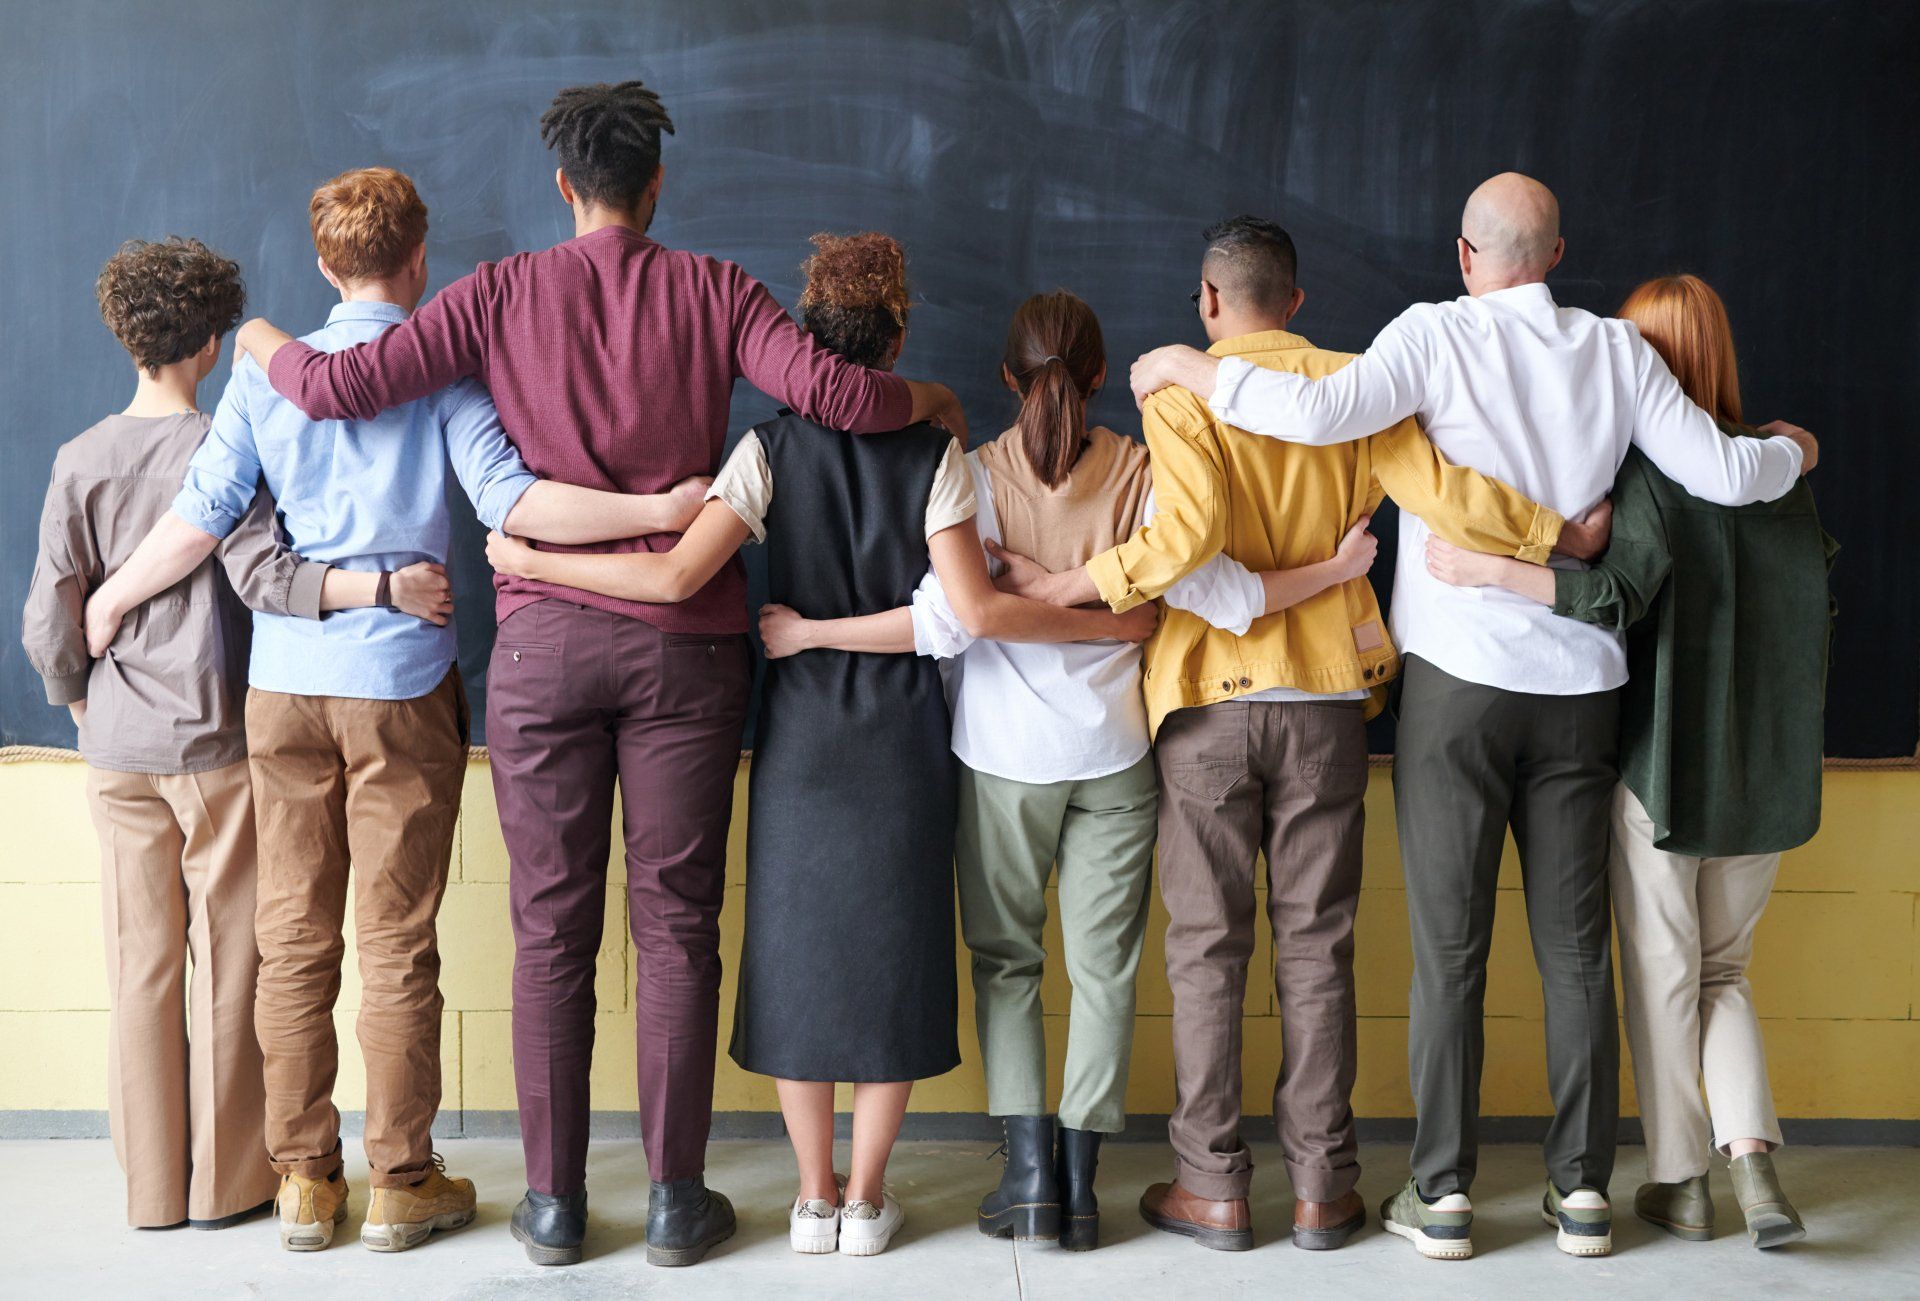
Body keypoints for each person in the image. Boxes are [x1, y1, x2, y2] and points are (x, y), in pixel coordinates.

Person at [232, 84, 967, 1268]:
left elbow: (337, 387)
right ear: (656, 184)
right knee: (678, 927)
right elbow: (834, 396)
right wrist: (929, 399)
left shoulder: (497, 293)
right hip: (686, 653)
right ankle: (679, 1201)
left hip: (541, 647)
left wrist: (262, 335)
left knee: (549, 930)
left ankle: (555, 1206)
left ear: (564, 188)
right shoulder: (718, 290)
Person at [1127, 175, 1818, 1260]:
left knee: (1450, 950)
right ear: (1554, 253)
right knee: (1575, 949)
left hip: (1455, 680)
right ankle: (1583, 1192)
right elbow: (1730, 473)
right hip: (1584, 687)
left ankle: (1441, 1193)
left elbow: (1308, 410)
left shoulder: (1431, 337)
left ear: (1464, 253)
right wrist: (1796, 452)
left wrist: (1181, 366)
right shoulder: (1616, 350)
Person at [485, 234, 1155, 1258]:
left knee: (797, 955)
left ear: (804, 340)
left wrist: (532, 557)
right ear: (897, 335)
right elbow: (964, 609)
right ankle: (868, 1196)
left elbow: (670, 580)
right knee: (892, 956)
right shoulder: (935, 452)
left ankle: (810, 1195)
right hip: (900, 733)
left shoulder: (765, 450)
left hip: (798, 733)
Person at [82, 169, 707, 1255]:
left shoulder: (265, 382)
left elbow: (198, 521)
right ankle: (402, 1178)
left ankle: (303, 1183)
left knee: (290, 936)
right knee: (396, 937)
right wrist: (658, 514)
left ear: (327, 264)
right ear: (420, 259)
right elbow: (513, 500)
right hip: (402, 682)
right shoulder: (448, 377)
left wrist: (110, 596)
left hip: (282, 682)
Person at [986, 217, 1590, 1254]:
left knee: (1206, 950)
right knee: (1319, 947)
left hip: (1210, 705)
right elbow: (1441, 495)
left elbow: (1181, 544)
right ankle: (1324, 1188)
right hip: (1324, 698)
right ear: (1297, 302)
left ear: (1210, 302)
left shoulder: (1179, 395)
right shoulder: (1355, 383)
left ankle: (1212, 1186)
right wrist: (1554, 535)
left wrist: (1067, 585)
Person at [761, 288, 1289, 1252]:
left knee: (1007, 965)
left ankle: (1032, 1180)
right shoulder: (1143, 469)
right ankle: (1082, 1187)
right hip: (1118, 753)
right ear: (1098, 376)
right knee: (1106, 970)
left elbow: (944, 619)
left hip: (1001, 758)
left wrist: (1023, 595)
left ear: (1007, 378)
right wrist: (1115, 619)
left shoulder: (970, 473)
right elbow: (1170, 606)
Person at [20, 237, 437, 1232]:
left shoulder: (79, 457)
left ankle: (152, 1189)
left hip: (116, 746)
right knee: (234, 961)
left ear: (127, 337)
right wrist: (371, 590)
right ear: (212, 344)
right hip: (212, 744)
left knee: (141, 966)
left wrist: (78, 699)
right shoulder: (227, 442)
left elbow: (50, 614)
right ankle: (228, 1185)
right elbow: (261, 573)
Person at [1424, 273, 1831, 1251]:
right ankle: (1753, 1159)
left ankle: (1684, 1181)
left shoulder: (1650, 478)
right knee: (1726, 972)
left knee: (1663, 978)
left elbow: (1614, 596)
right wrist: (1800, 444)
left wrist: (1491, 569)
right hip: (1767, 780)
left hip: (1661, 775)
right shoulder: (1781, 475)